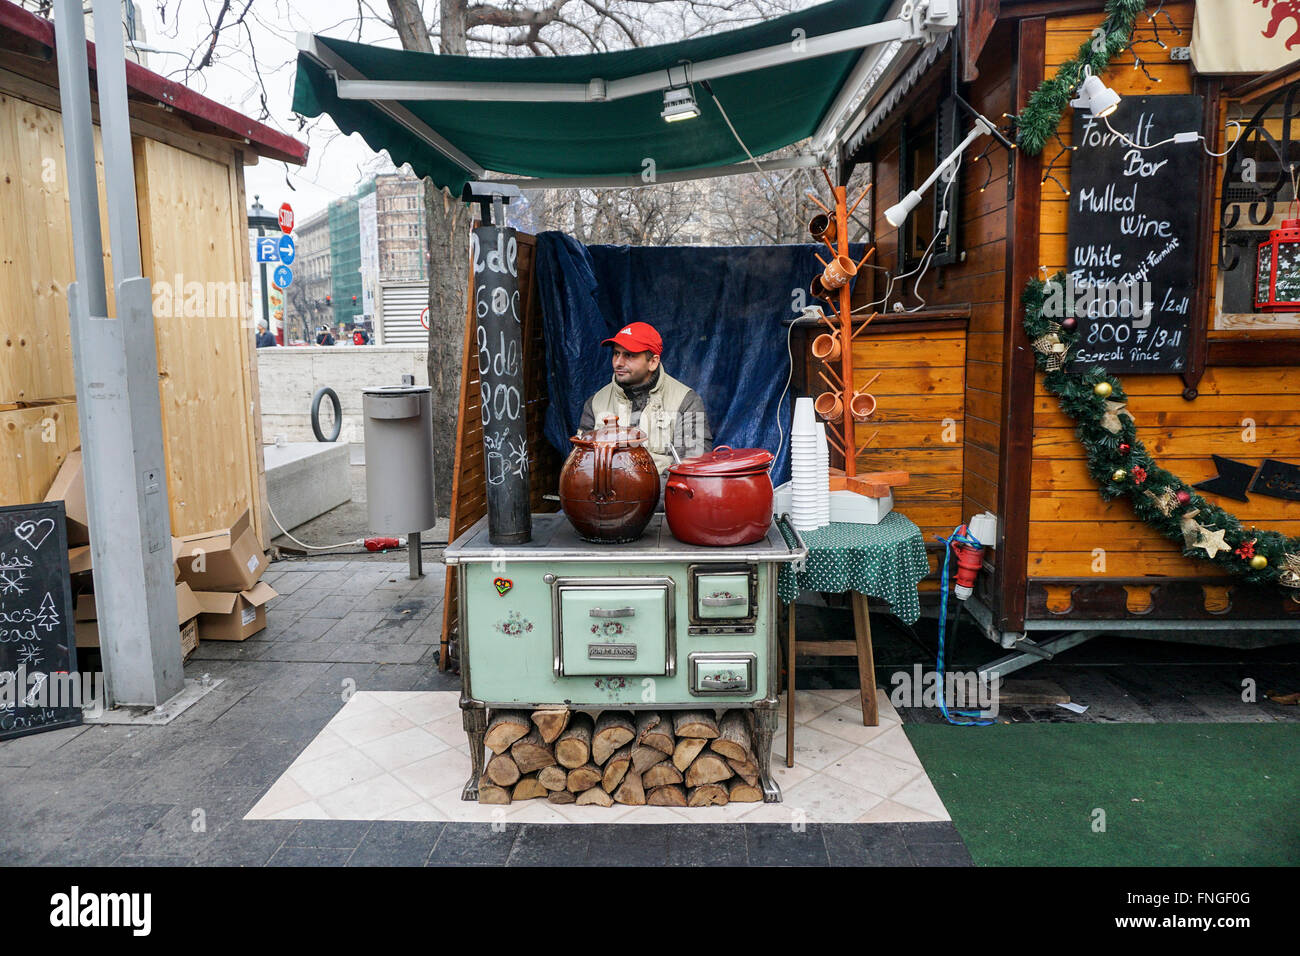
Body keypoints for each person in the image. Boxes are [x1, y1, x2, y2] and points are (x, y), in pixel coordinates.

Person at [577, 321, 712, 477]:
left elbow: (693, 470)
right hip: (606, 499)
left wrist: (641, 493)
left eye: (629, 355)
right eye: (616, 353)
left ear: (653, 362)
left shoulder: (686, 401)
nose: (618, 362)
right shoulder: (595, 403)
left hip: (665, 499)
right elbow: (581, 466)